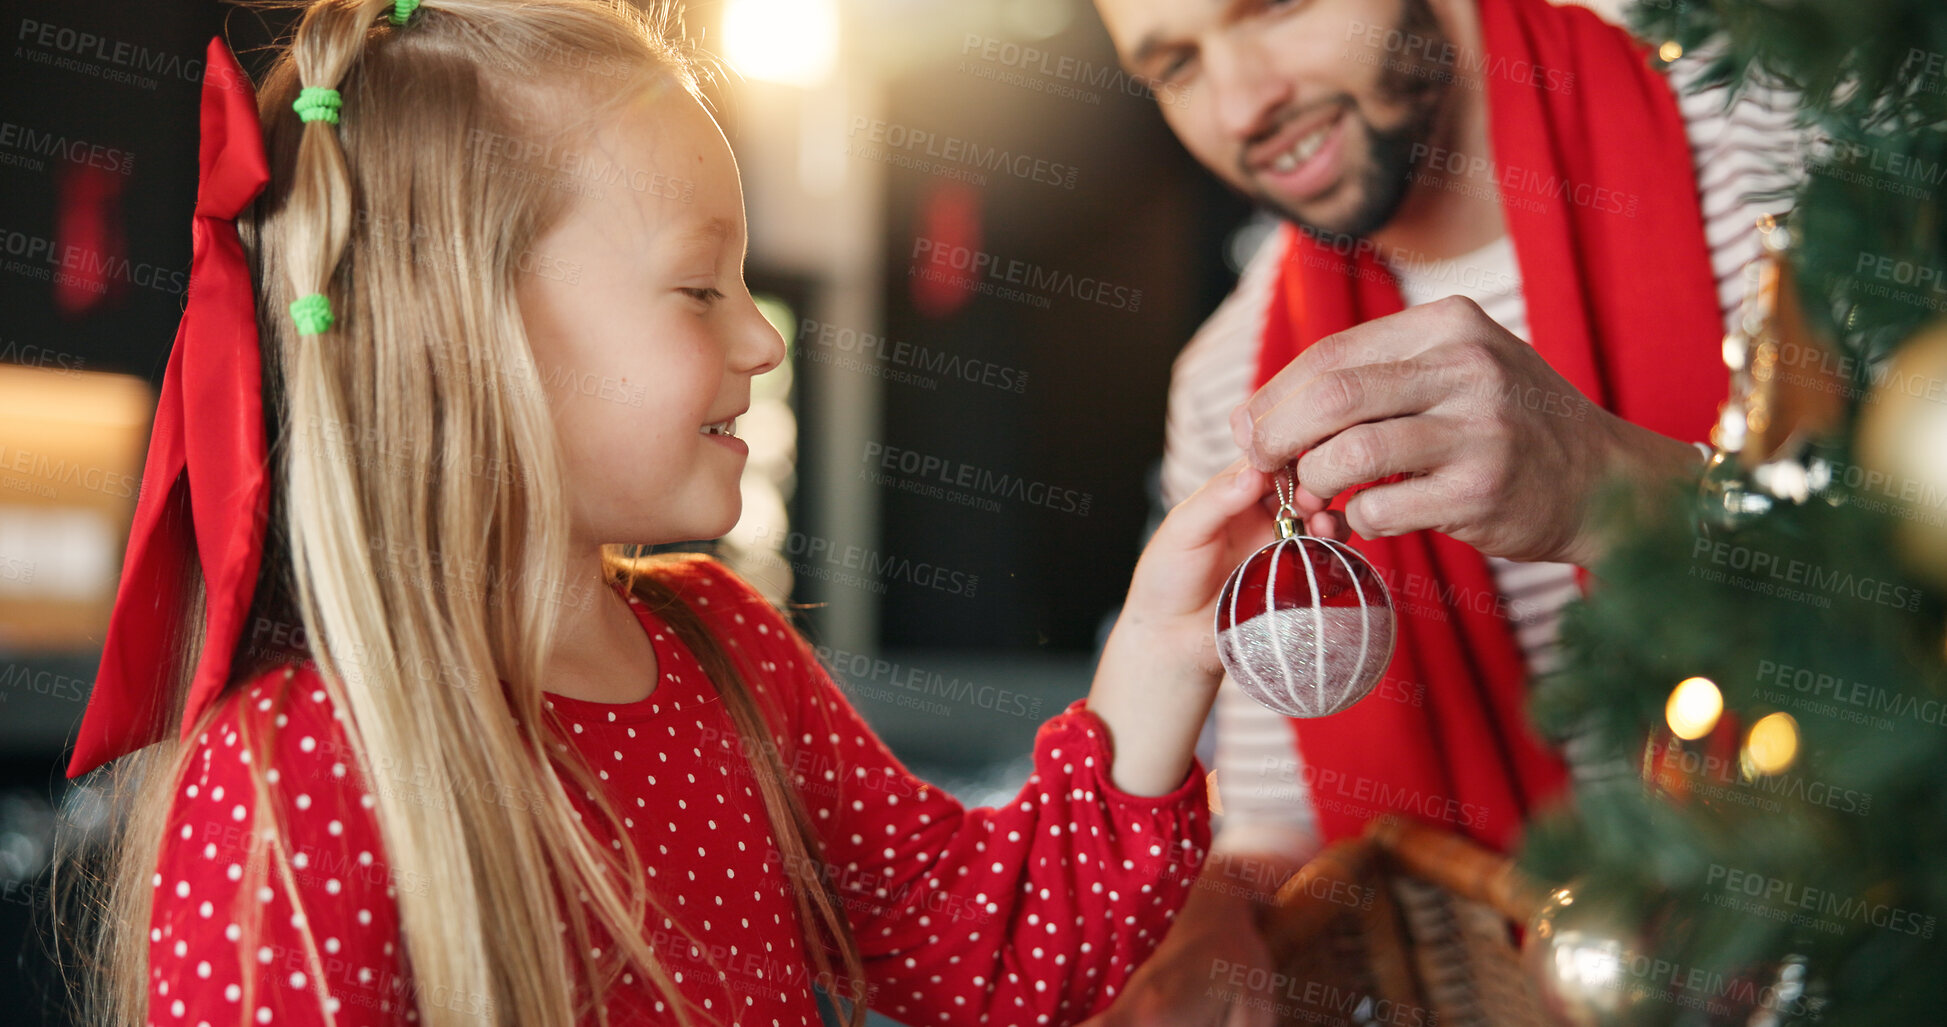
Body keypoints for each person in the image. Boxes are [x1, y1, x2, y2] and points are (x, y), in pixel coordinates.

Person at [60, 2, 1282, 1024]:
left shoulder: (723, 643)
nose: (761, 337)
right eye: (699, 287)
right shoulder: (291, 776)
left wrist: (1164, 642)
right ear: (462, 337)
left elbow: (989, 946)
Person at [1085, 0, 1804, 1022]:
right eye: (1175, 66)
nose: (1242, 106)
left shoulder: (1768, 134)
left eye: (1273, 6)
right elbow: (1283, 815)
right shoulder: (1227, 380)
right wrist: (1213, 907)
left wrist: (1615, 491)